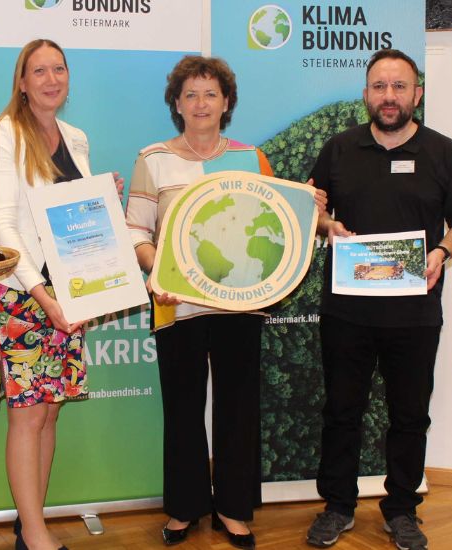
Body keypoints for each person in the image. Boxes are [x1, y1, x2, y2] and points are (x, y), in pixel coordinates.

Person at [305, 49, 452, 550]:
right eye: (379, 86)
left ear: (416, 94)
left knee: (410, 415)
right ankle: (337, 506)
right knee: (342, 411)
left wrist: (443, 251)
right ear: (366, 94)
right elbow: (308, 212)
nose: (389, 96)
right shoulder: (339, 149)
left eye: (399, 86)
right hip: (347, 312)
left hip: (415, 313)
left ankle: (402, 509)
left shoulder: (443, 152)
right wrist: (326, 225)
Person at [126, 55, 286, 550]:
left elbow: (276, 229)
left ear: (227, 103)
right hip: (176, 304)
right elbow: (136, 232)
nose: (200, 103)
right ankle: (184, 508)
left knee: (238, 408)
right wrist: (158, 273)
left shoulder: (251, 158)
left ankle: (235, 510)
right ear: (177, 102)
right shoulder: (152, 159)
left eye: (210, 94)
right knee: (182, 407)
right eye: (191, 94)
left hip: (240, 304)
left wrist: (314, 209)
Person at [0, 38, 124, 550]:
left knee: (51, 409)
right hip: (24, 293)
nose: (50, 79)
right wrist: (44, 299)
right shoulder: (1, 133)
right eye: (38, 71)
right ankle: (36, 535)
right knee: (28, 412)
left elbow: (68, 211)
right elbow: (2, 225)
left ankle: (29, 523)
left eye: (58, 69)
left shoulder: (76, 137)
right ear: (21, 82)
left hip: (70, 290)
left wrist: (102, 194)